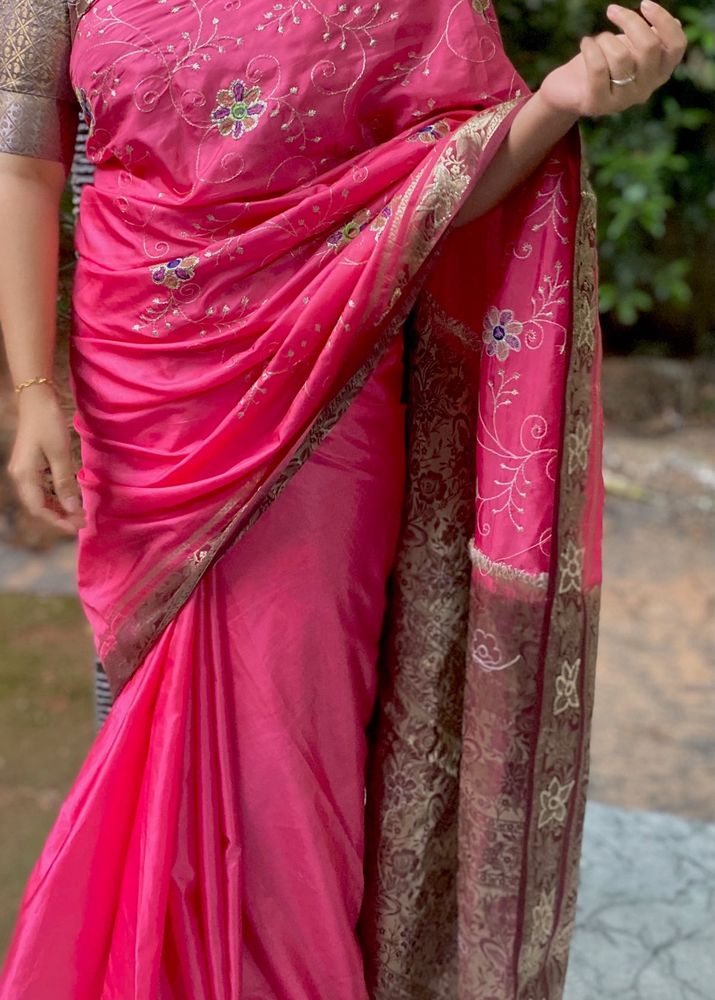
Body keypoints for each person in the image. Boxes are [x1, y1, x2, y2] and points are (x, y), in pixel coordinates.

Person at [0, 0, 686, 996]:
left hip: (325, 384)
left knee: (295, 735)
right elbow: (24, 162)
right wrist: (33, 391)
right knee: (143, 705)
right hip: (139, 385)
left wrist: (556, 103)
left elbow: (440, 177)